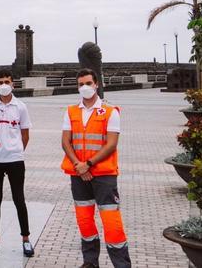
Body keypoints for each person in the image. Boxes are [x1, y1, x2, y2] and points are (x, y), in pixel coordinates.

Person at [61, 68, 130, 268]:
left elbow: (111, 144)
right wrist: (78, 166)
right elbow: (66, 142)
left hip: (104, 175)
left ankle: (122, 265)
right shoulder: (71, 111)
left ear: (97, 84)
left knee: (112, 223)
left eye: (88, 83)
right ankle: (90, 262)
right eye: (81, 84)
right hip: (78, 174)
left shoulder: (110, 111)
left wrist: (88, 164)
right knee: (84, 219)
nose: (85, 87)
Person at [0, 71, 35, 257]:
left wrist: (15, 149)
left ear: (13, 84)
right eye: (0, 82)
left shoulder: (21, 107)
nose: (3, 84)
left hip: (15, 159)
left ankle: (26, 239)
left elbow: (25, 133)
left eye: (6, 82)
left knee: (19, 198)